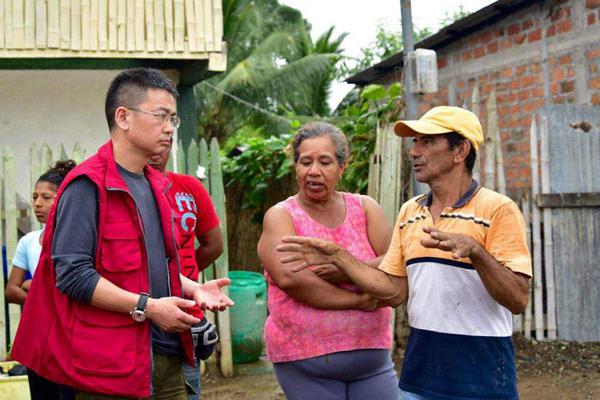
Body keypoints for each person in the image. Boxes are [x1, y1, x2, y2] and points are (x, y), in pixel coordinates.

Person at [278, 106, 532, 400]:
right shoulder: (411, 212)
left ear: (460, 150)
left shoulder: (498, 209)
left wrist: (477, 253)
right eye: (414, 142)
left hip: (483, 381)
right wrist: (339, 256)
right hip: (418, 380)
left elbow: (517, 298)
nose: (414, 151)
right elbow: (395, 291)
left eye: (427, 141)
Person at [11, 68, 234, 400]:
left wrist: (192, 286)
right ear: (123, 117)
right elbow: (73, 276)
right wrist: (149, 306)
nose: (169, 128)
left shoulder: (155, 184)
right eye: (161, 116)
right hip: (108, 365)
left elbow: (150, 263)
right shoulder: (86, 186)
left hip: (166, 355)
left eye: (174, 119)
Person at [257, 122, 399, 400]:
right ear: (295, 167)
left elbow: (394, 263)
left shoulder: (366, 208)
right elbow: (292, 279)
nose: (314, 171)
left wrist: (344, 270)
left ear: (341, 168)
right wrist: (358, 300)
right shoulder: (282, 216)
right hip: (306, 360)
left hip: (373, 358)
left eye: (325, 162)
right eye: (305, 162)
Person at [149, 139, 223, 400]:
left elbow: (213, 244)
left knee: (187, 386)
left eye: (165, 143)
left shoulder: (189, 187)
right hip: (138, 312)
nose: (158, 151)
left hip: (184, 312)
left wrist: (180, 280)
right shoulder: (128, 191)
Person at [6, 160, 76, 400]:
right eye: (35, 197)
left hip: (67, 340)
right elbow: (11, 291)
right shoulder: (29, 242)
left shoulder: (75, 240)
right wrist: (43, 296)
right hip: (38, 337)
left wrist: (33, 287)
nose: (37, 203)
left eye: (46, 197)